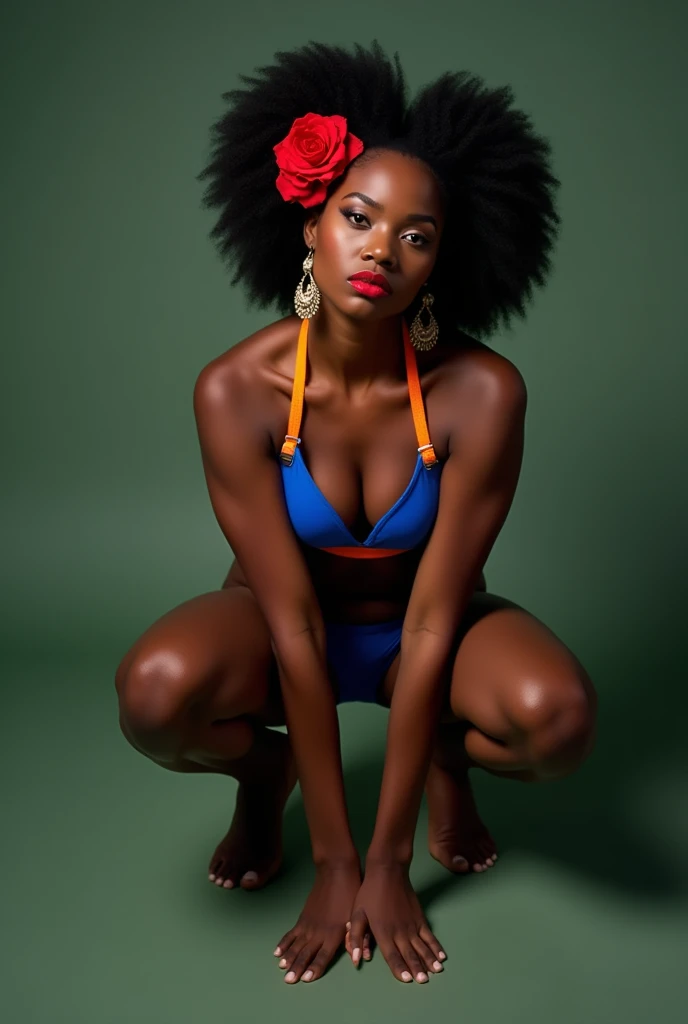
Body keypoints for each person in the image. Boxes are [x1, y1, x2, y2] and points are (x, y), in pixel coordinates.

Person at [114, 40, 597, 986]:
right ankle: (266, 779)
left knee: (558, 720)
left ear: (439, 262)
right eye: (359, 217)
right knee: (155, 695)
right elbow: (292, 624)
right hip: (281, 627)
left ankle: (449, 763)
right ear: (312, 226)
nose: (382, 249)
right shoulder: (235, 390)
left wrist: (388, 862)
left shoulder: (484, 393)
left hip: (428, 631)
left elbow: (433, 620)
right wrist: (336, 863)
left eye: (417, 235)